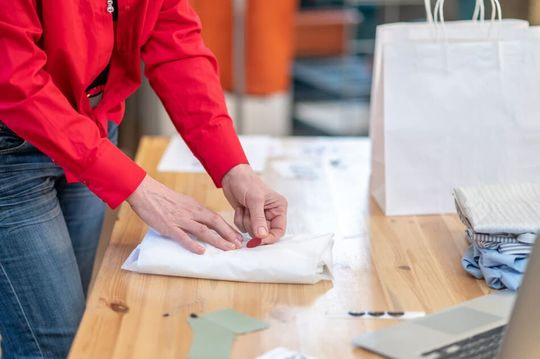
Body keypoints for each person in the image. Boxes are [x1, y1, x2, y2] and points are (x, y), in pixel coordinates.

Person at [0, 0, 288, 358]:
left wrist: (233, 166)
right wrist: (136, 186)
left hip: (94, 126)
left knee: (83, 323)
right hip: (10, 149)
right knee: (55, 345)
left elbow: (176, 46)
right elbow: (13, 80)